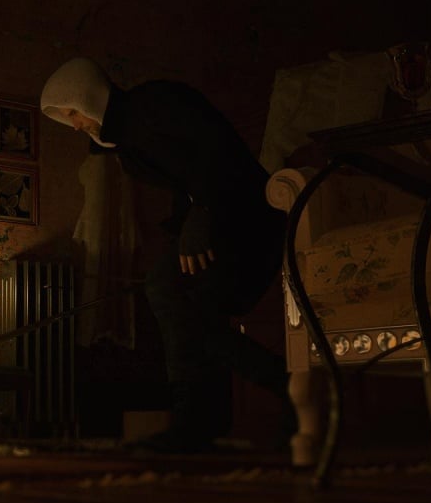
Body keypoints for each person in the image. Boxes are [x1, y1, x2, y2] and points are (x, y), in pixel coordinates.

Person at [40, 57, 293, 453]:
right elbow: (182, 184)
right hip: (217, 221)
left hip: (246, 218)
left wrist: (201, 214)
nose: (75, 125)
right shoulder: (127, 143)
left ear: (87, 96)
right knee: (180, 299)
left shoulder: (155, 104)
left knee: (169, 291)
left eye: (73, 112)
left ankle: (244, 399)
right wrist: (186, 226)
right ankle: (207, 417)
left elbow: (215, 151)